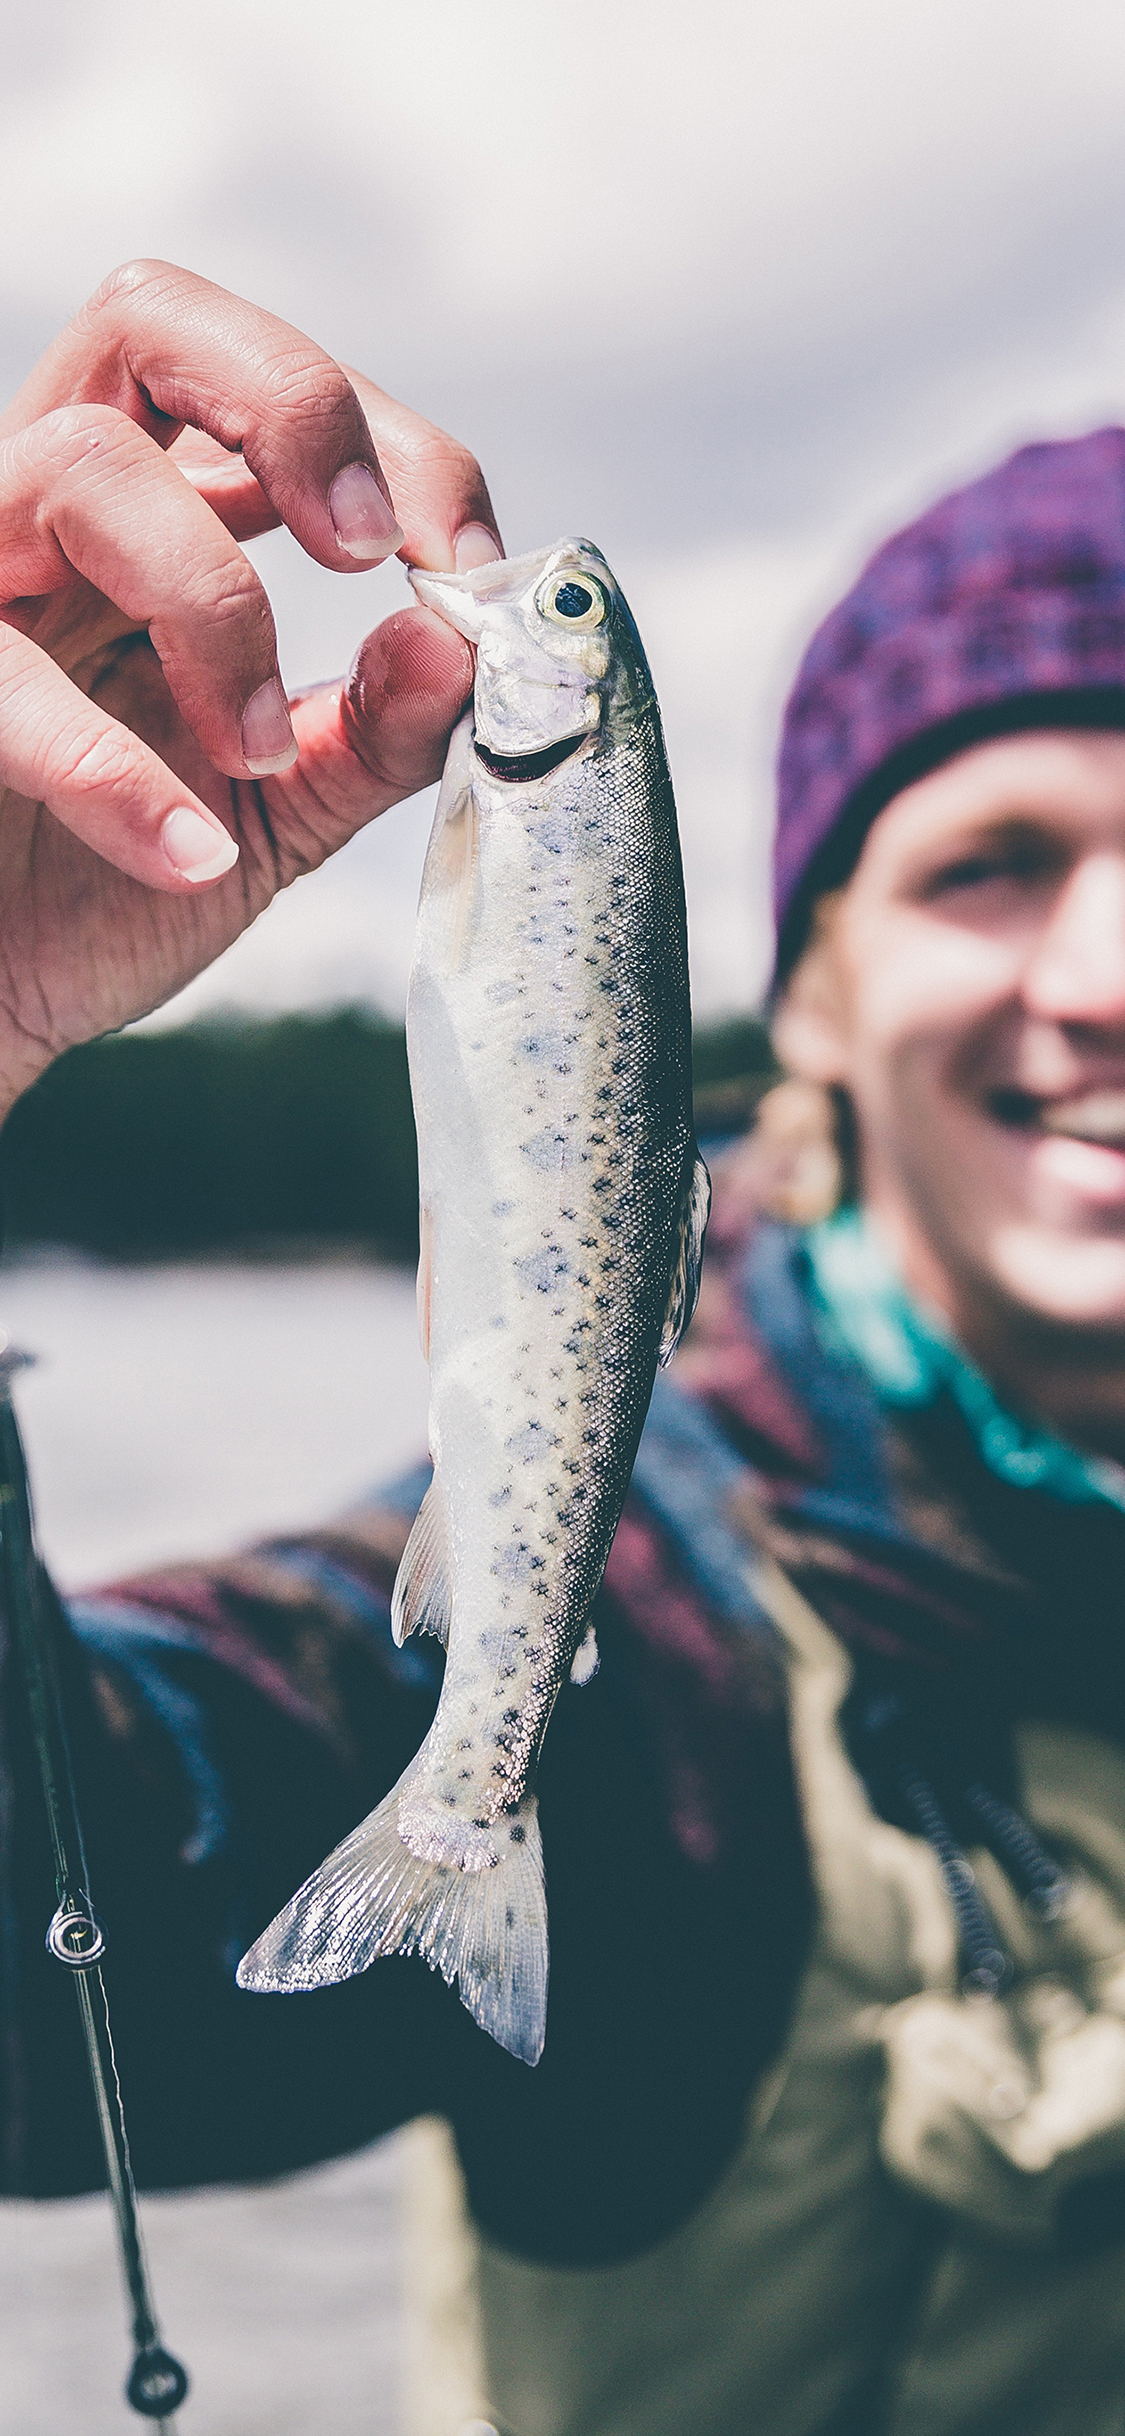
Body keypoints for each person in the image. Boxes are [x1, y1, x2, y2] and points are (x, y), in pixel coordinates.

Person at [4, 263, 1125, 2436]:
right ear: (798, 993)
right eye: (989, 863)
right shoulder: (665, 1676)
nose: (1104, 971)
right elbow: (43, 1985)